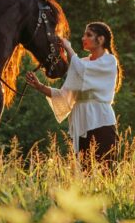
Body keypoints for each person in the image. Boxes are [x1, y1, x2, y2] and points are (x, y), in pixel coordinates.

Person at [26, 21, 123, 167]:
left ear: (101, 39)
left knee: (105, 171)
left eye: (88, 35)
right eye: (84, 34)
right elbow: (65, 95)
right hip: (81, 123)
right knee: (84, 174)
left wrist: (68, 48)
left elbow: (81, 69)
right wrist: (39, 86)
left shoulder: (109, 61)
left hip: (101, 121)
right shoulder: (82, 63)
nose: (83, 38)